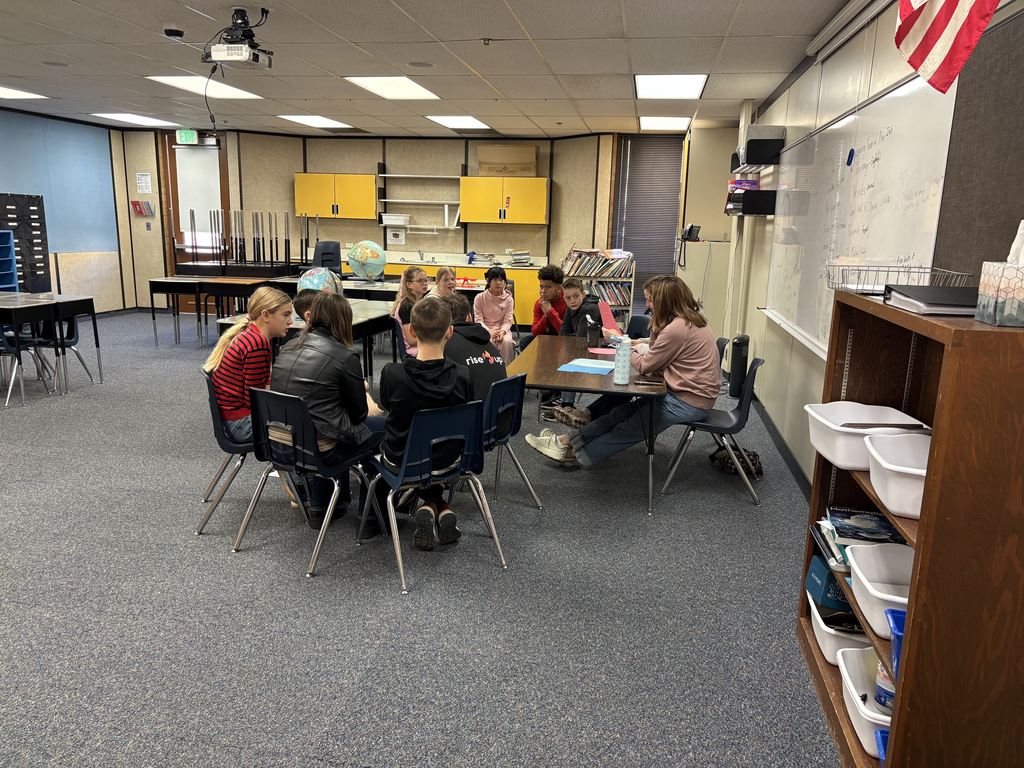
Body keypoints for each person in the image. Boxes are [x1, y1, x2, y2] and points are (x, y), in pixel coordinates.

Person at [525, 275, 720, 467]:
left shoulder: (677, 328)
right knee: (619, 413)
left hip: (690, 401)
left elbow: (644, 365)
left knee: (630, 427)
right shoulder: (688, 321)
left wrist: (622, 345)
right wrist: (654, 327)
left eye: (650, 300)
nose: (648, 305)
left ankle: (576, 454)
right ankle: (565, 441)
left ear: (665, 302)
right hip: (684, 393)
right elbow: (654, 353)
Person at [272, 293, 385, 529]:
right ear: (344, 320)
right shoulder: (345, 356)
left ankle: (323, 504)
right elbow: (358, 415)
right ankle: (372, 514)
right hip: (320, 448)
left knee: (327, 426)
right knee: (386, 428)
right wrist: (361, 390)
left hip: (283, 443)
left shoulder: (288, 346)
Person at [379, 297, 472, 551]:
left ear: (410, 331)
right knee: (430, 455)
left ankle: (426, 505)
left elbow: (387, 406)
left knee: (375, 441)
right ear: (450, 332)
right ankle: (437, 504)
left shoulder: (392, 373)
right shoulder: (463, 376)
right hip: (449, 462)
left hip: (403, 461)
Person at [204, 286, 293, 443]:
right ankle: (286, 467)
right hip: (239, 423)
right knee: (303, 426)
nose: (291, 321)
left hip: (231, 418)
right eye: (285, 315)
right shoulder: (257, 344)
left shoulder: (247, 333)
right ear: (265, 315)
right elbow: (254, 400)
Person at [441, 292, 507, 401]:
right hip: (500, 412)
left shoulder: (444, 345)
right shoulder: (490, 345)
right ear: (470, 317)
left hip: (470, 414)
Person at [519, 264, 566, 352]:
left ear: (558, 288)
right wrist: (545, 316)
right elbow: (535, 332)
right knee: (525, 342)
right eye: (541, 287)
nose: (543, 291)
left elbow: (564, 332)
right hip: (545, 335)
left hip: (563, 337)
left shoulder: (567, 302)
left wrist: (550, 311)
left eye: (548, 287)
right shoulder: (539, 303)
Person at [473, 266, 516, 362]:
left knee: (507, 342)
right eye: (495, 279)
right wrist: (489, 331)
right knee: (489, 342)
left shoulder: (509, 299)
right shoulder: (479, 298)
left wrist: (502, 332)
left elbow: (508, 321)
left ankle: (507, 371)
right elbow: (479, 320)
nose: (498, 283)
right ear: (489, 281)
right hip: (485, 329)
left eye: (501, 280)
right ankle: (491, 372)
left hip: (502, 329)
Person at [392, 266, 429, 357]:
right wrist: (434, 337)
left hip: (424, 346)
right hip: (415, 353)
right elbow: (411, 340)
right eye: (420, 281)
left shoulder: (420, 302)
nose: (424, 283)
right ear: (409, 285)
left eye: (426, 280)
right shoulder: (406, 306)